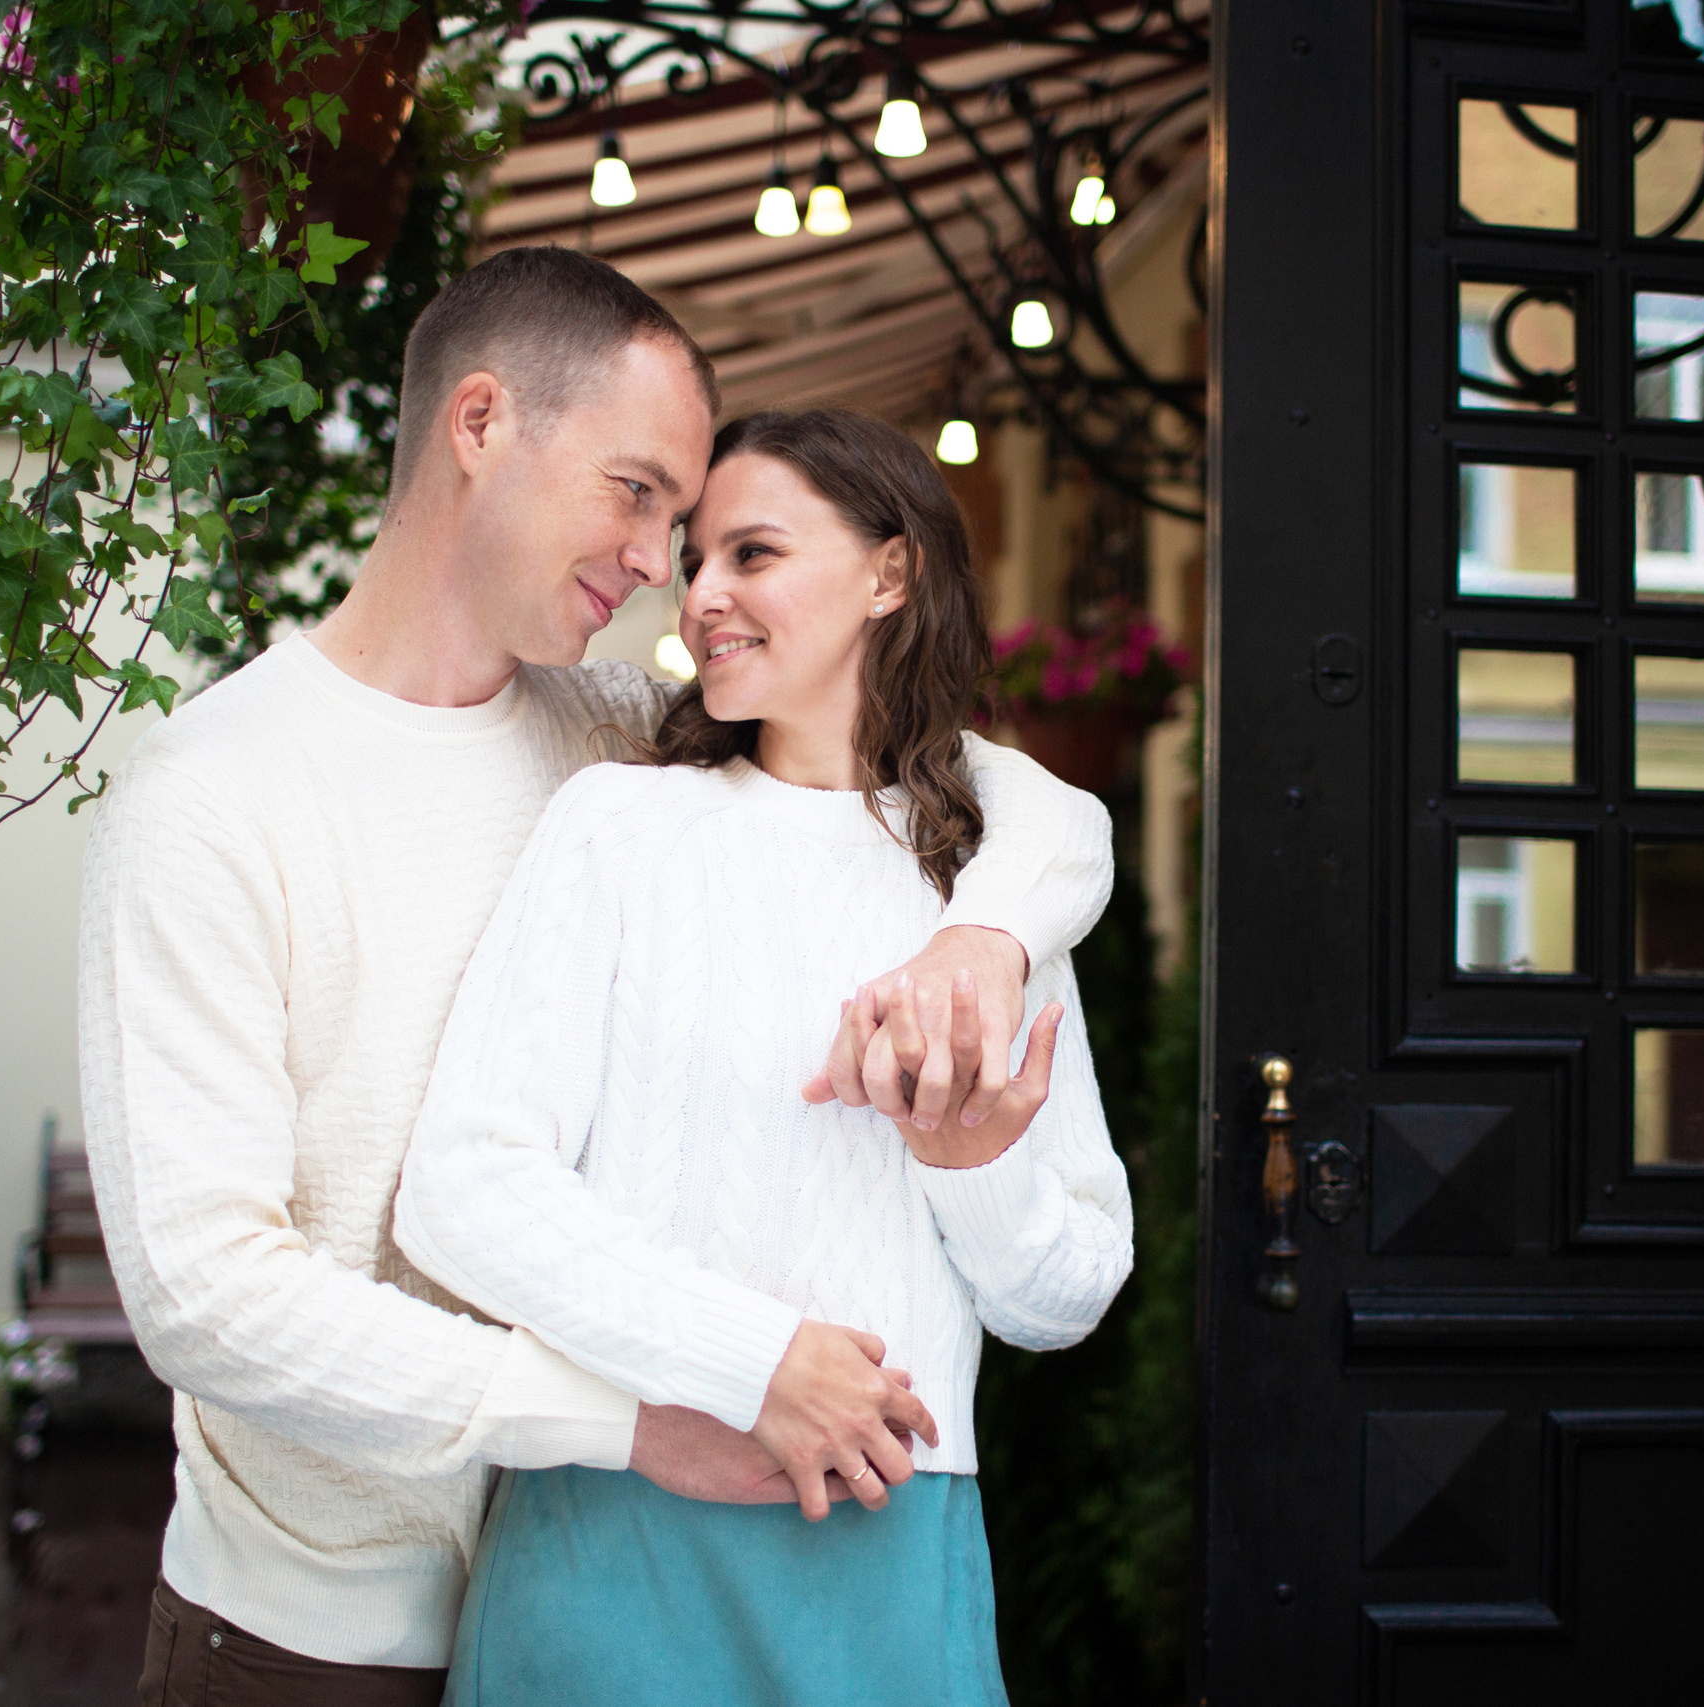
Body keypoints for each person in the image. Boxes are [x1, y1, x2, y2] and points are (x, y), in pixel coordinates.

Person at [77, 250, 1115, 1706]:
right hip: (327, 1625)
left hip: (633, 1556)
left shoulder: (614, 729)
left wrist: (983, 941)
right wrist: (651, 1411)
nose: (662, 571)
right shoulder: (215, 794)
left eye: (697, 531)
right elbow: (206, 1296)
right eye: (641, 498)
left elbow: (1005, 803)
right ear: (481, 423)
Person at [397, 407, 1136, 1706]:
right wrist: (757, 1361)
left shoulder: (993, 906)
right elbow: (463, 1188)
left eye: (753, 553)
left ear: (891, 572)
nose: (701, 596)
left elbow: (1063, 1297)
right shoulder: (622, 826)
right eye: (696, 561)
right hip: (617, 1539)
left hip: (888, 1547)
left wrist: (969, 1163)